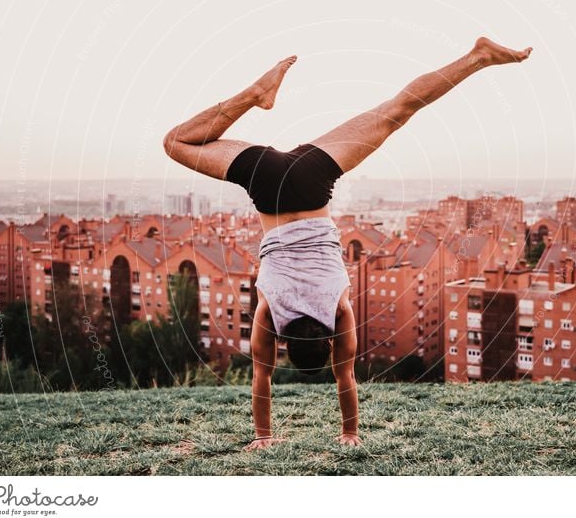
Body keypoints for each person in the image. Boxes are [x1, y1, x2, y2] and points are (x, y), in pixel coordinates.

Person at [162, 37, 533, 450]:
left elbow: (346, 380)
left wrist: (350, 434)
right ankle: (253, 95)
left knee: (396, 111)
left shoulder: (336, 310)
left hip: (310, 177)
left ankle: (477, 56)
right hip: (268, 181)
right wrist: (262, 437)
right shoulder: (272, 311)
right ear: (287, 342)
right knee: (176, 142)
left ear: (325, 340)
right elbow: (261, 378)